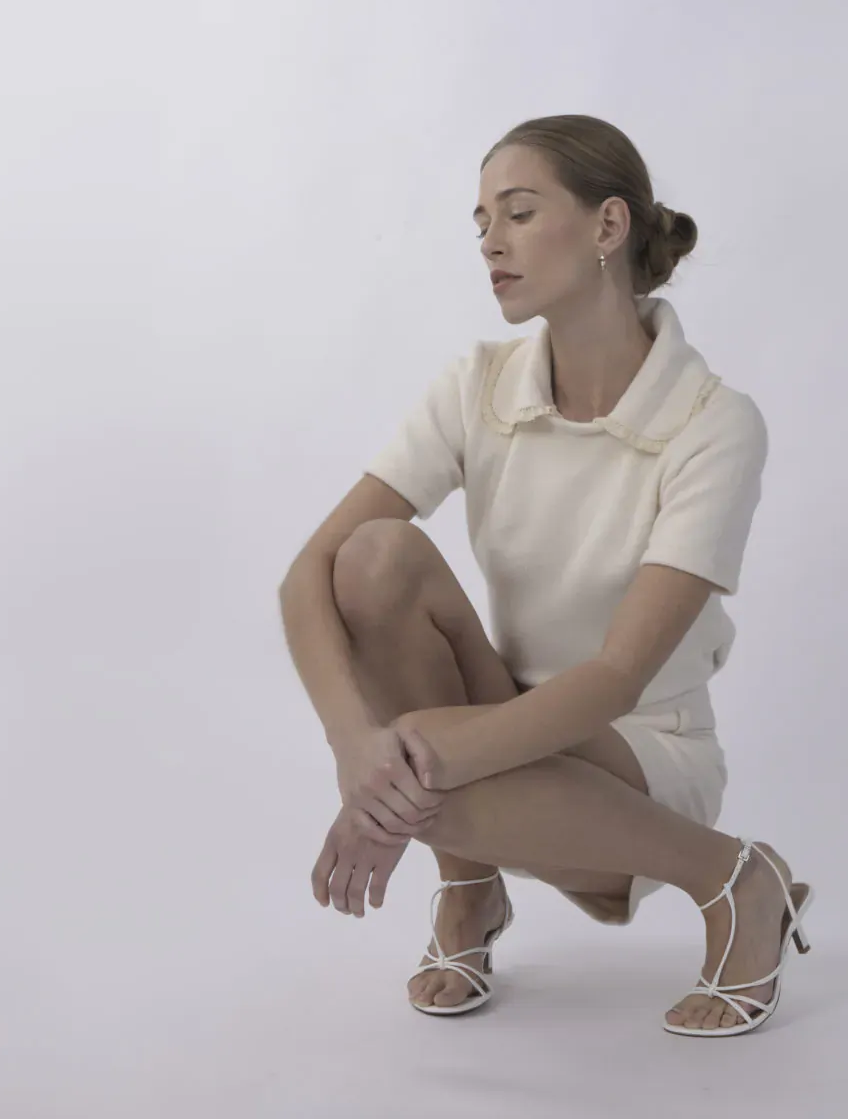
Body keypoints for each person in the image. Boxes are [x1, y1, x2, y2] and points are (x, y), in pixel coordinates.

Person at [280, 114, 813, 1036]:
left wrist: (413, 763)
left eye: (519, 213)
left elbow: (616, 677)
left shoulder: (713, 423)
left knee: (436, 774)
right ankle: (471, 889)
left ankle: (734, 878)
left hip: (636, 743)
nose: (490, 241)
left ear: (608, 228)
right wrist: (356, 754)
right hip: (498, 704)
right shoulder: (476, 385)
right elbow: (307, 576)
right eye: (481, 220)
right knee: (371, 557)